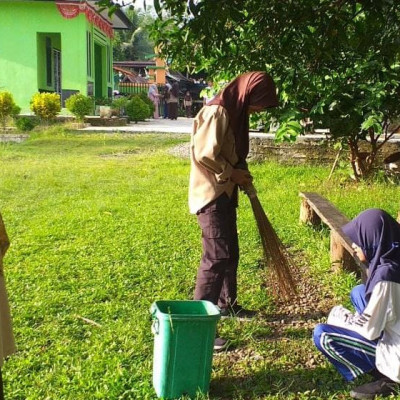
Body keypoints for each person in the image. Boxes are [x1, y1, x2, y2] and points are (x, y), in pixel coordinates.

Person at [188, 71, 278, 350]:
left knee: (231, 252)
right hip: (211, 196)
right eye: (257, 104)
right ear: (248, 93)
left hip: (225, 193)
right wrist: (233, 174)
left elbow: (234, 152)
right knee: (216, 257)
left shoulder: (236, 112)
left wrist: (242, 172)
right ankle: (198, 328)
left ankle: (228, 306)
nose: (256, 110)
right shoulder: (218, 112)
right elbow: (204, 154)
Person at [313, 208, 400, 399]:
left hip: (397, 352)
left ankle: (386, 377)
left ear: (374, 241)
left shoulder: (387, 277)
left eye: (360, 241)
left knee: (323, 334)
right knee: (359, 293)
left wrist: (346, 320)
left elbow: (370, 331)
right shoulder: (394, 259)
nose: (354, 245)